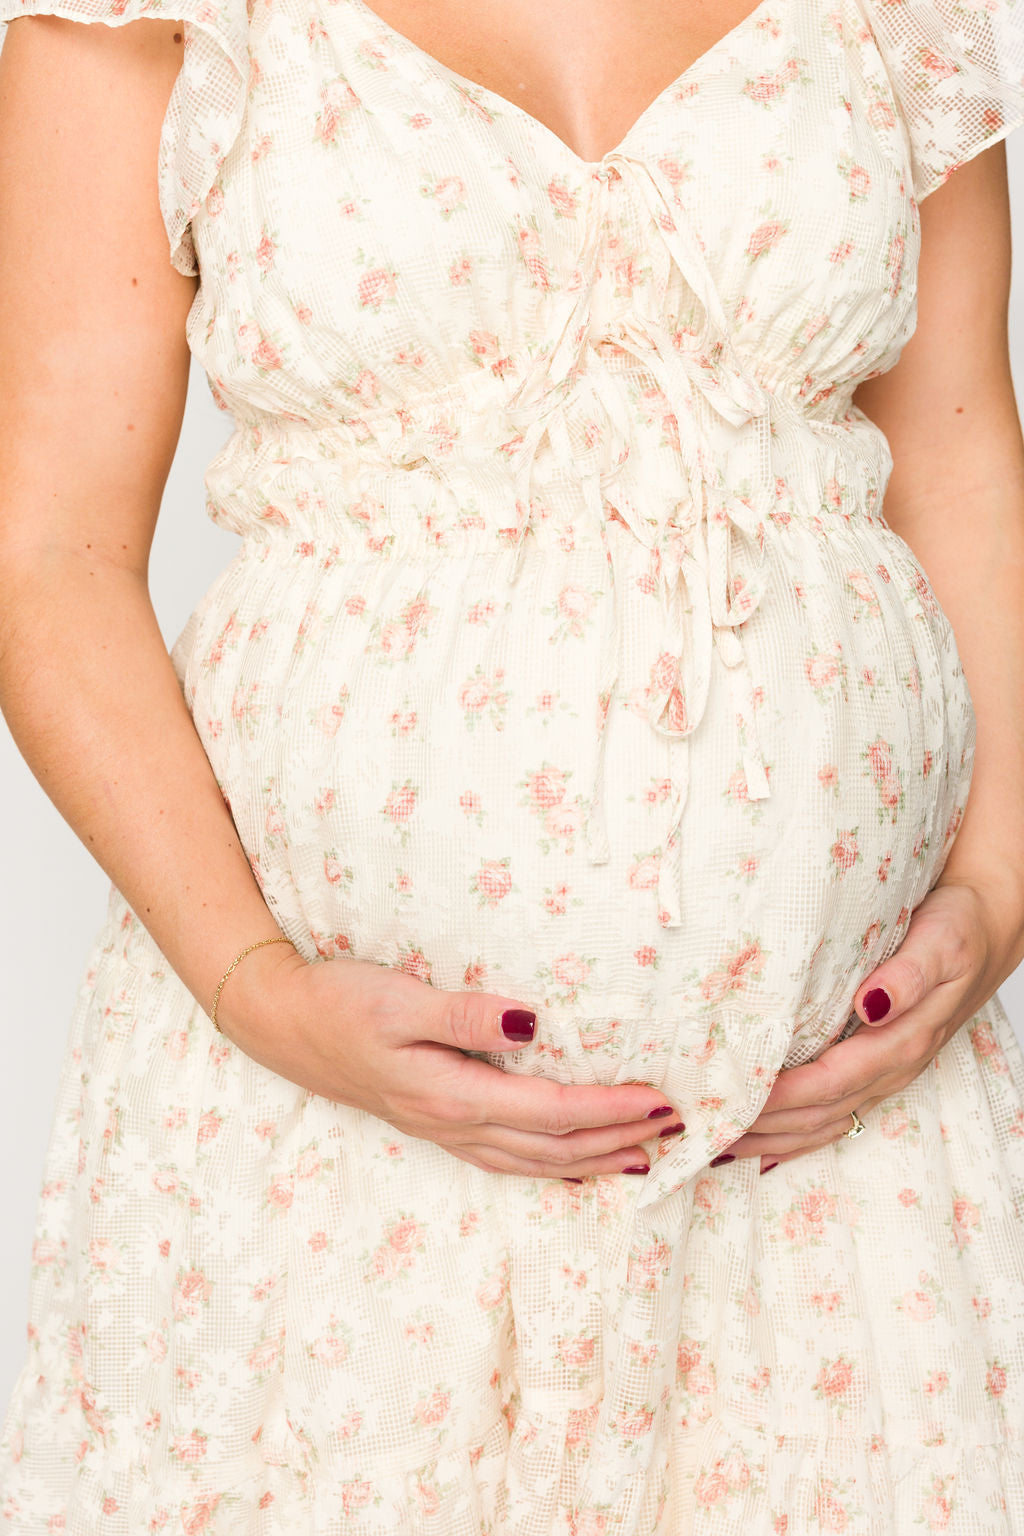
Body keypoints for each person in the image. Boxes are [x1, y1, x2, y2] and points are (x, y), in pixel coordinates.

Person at [1, 0, 1023, 1529]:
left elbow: (957, 451)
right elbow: (50, 549)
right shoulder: (142, 17)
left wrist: (998, 893)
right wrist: (254, 986)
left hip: (826, 1159)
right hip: (328, 1151)